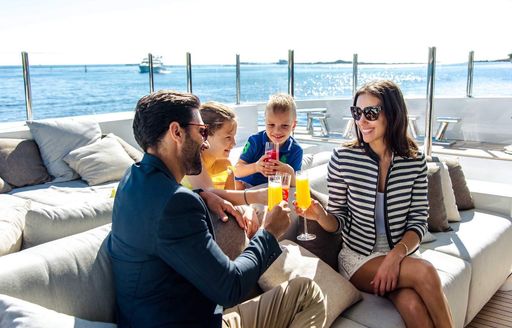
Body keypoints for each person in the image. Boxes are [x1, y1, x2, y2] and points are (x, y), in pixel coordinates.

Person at [107, 90, 326, 327]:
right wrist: (269, 233)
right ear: (176, 132)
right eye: (202, 131)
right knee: (306, 292)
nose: (205, 142)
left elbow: (158, 221)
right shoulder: (176, 205)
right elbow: (230, 288)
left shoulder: (132, 178)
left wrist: (201, 195)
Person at [295, 80, 454, 328]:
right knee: (425, 272)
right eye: (357, 113)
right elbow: (338, 221)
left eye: (370, 113)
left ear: (392, 114)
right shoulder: (343, 158)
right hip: (358, 258)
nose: (361, 121)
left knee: (412, 306)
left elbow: (418, 222)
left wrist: (395, 256)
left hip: (400, 255)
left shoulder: (413, 161)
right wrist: (320, 214)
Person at [182, 101, 266, 238]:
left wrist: (247, 209)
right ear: (205, 134)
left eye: (234, 137)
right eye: (228, 137)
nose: (233, 143)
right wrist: (257, 196)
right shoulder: (193, 162)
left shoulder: (226, 166)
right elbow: (209, 193)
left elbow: (234, 200)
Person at [235, 93, 303, 187]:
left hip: (273, 190)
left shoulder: (296, 150)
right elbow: (237, 170)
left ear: (293, 125)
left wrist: (290, 172)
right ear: (265, 122)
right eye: (271, 125)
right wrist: (256, 167)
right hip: (248, 187)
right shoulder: (255, 141)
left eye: (284, 126)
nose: (277, 131)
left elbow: (295, 185)